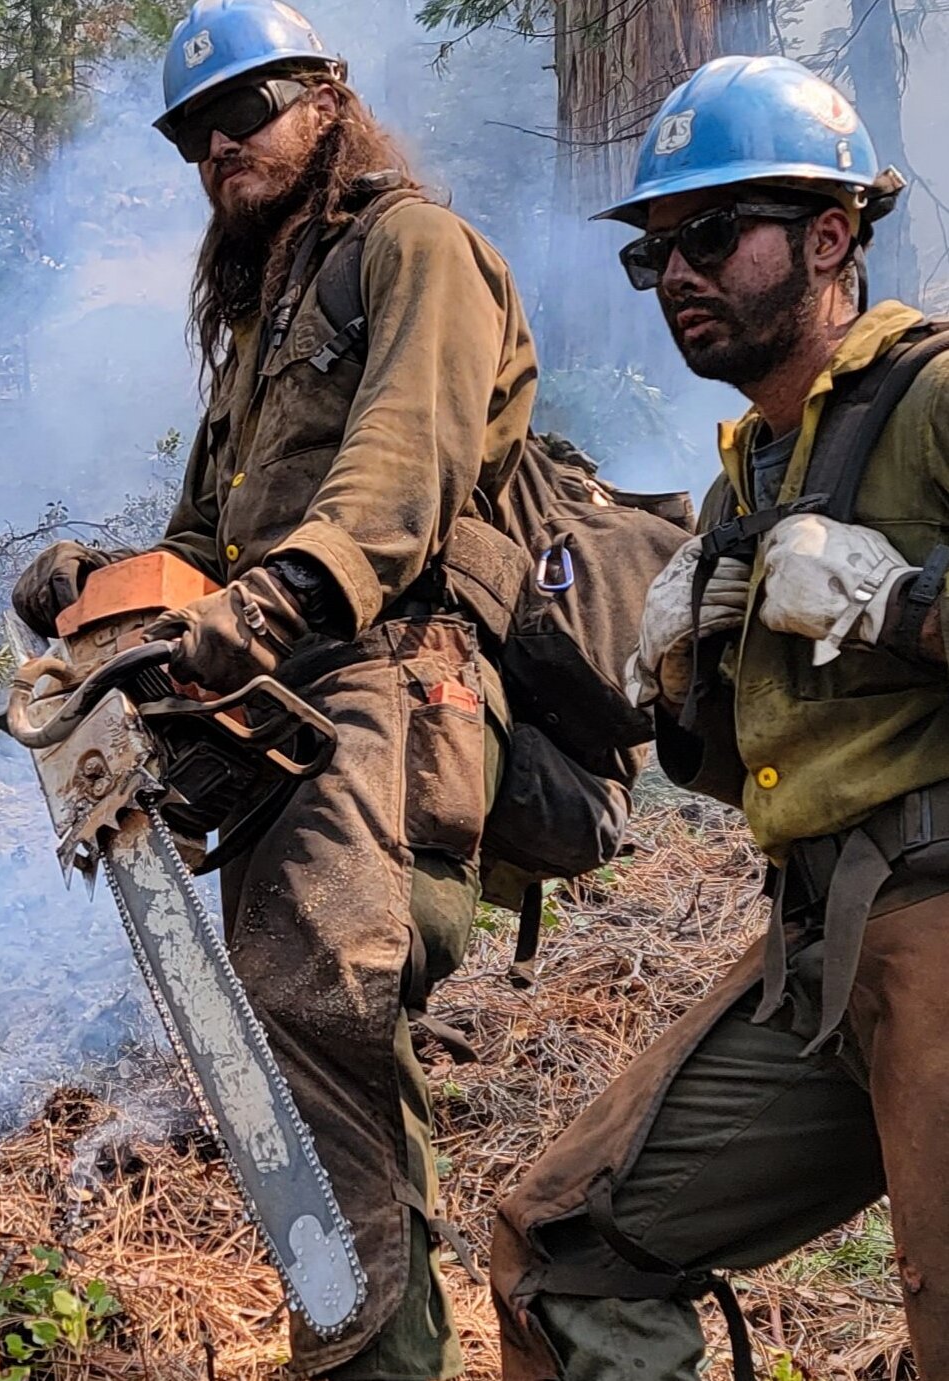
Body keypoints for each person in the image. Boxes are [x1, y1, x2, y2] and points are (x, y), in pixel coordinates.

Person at [10, 1, 539, 1372]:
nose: (219, 145)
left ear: (326, 98)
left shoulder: (413, 250)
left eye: (246, 110)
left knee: (322, 1015)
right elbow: (216, 539)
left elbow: (401, 476)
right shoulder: (268, 308)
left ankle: (364, 1352)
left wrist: (278, 599)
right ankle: (382, 1348)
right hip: (282, 706)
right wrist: (99, 582)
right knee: (313, 1048)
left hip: (384, 688)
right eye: (193, 132)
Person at [490, 56, 949, 1379]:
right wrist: (680, 685)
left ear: (825, 238)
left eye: (706, 235)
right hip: (816, 948)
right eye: (653, 255)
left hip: (931, 924)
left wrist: (895, 599)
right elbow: (752, 765)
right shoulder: (747, 473)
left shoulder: (927, 397)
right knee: (558, 1242)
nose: (675, 274)